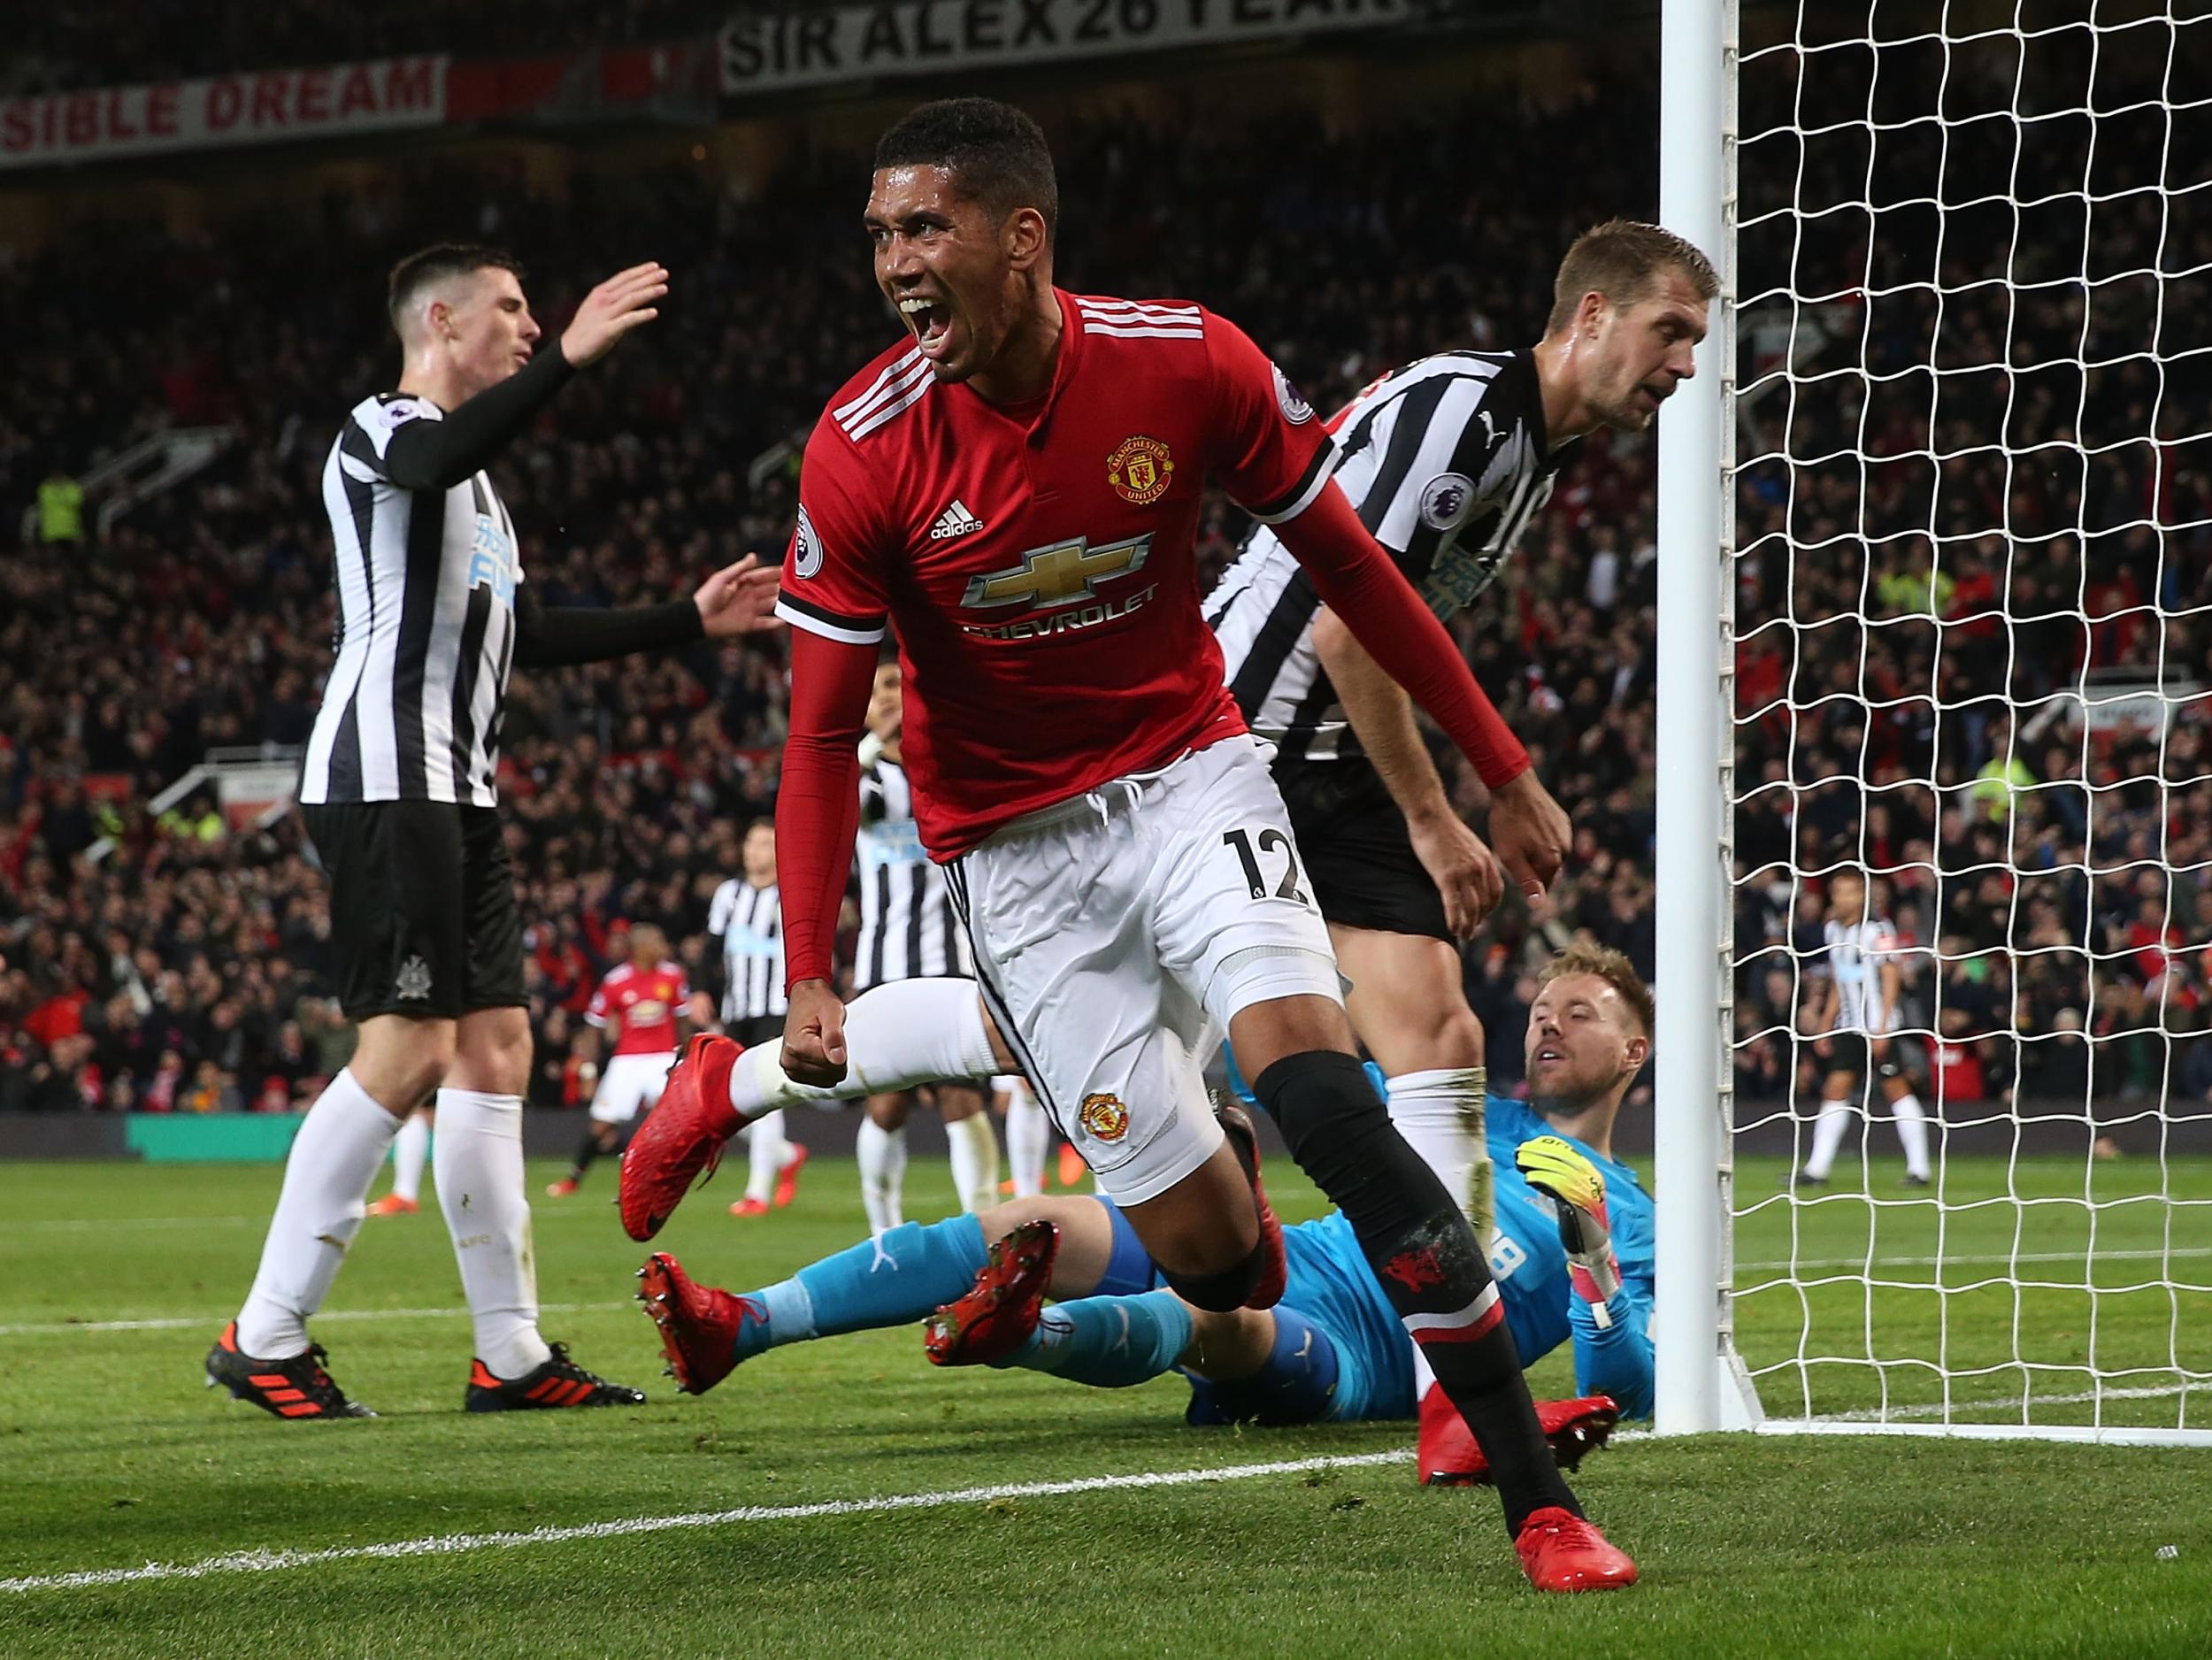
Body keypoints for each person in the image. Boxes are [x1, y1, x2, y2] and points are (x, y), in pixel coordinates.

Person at [624, 97, 1631, 1588]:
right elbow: (824, 736)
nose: (899, 263)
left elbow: (1351, 564)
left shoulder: (1186, 362)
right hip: (1017, 864)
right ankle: (756, 1071)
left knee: (1331, 1097)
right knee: (1226, 1260)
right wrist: (818, 967)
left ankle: (1536, 1500)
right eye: (882, 236)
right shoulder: (860, 451)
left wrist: (1499, 768)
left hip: (1188, 778)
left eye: (927, 229)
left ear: (1022, 238)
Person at [204, 242, 781, 1420]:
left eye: (535, 314)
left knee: (495, 1050)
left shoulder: (480, 494)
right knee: (409, 1048)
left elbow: (521, 638)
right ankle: (265, 1334)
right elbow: (436, 450)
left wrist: (686, 620)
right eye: (509, 309)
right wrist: (570, 356)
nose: (530, 324)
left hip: (457, 791)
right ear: (440, 315)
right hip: (384, 779)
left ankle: (510, 1356)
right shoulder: (383, 430)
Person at [634, 947, 1655, 1487]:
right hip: (1294, 1255)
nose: (1548, 1022)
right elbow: (1315, 1093)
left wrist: (1593, 1259)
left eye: (1581, 1012)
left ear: (1636, 1052)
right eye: (1541, 1007)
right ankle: (744, 1323)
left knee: (1224, 1328)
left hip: (1370, 1359)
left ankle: (1025, 1330)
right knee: (1034, 1219)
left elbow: (1628, 1390)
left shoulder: (1642, 1212)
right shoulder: (1459, 1103)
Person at [1207, 219, 1714, 1237]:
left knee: (1440, 1031)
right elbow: (1349, 631)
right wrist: (1446, 810)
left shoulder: (1538, 448)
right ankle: (812, 1052)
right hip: (1237, 743)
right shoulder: (1464, 411)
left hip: (1329, 754)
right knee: (1035, 1032)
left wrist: (1497, 779)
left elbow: (1396, 640)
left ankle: (1454, 1366)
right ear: (1592, 314)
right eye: (1671, 330)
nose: (1686, 364)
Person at [851, 659, 1000, 1230]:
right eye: (878, 690)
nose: (890, 697)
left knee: (962, 1099)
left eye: (897, 685)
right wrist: (875, 742)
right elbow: (839, 799)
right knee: (886, 1104)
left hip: (954, 963)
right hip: (882, 966)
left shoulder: (948, 771)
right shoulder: (864, 778)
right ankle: (883, 1235)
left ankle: (986, 1230)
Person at [1794, 869, 1933, 1187]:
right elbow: (1837, 980)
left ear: (1861, 896)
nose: (1840, 899)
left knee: (1896, 1089)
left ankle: (1920, 1169)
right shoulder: (1832, 930)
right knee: (1835, 1089)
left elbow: (1890, 975)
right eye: (1836, 892)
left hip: (1877, 1025)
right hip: (1848, 1025)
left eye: (1848, 892)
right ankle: (1817, 1170)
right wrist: (1826, 1023)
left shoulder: (1879, 930)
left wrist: (1882, 1026)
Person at [707, 820, 809, 1216]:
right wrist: (702, 993)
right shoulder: (729, 894)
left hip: (777, 1007)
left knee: (767, 1097)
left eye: (765, 843)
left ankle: (757, 1194)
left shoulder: (792, 896)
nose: (754, 851)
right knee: (733, 1102)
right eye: (750, 843)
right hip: (737, 1008)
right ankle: (785, 1155)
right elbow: (711, 950)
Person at [546, 923, 689, 1197]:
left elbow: (683, 1020)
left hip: (664, 1058)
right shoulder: (616, 980)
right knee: (602, 1124)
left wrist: (686, 1057)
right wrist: (588, 1066)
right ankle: (573, 1178)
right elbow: (595, 1024)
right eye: (657, 941)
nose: (663, 947)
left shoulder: (673, 976)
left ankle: (668, 1179)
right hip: (627, 1061)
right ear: (640, 948)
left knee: (673, 1119)